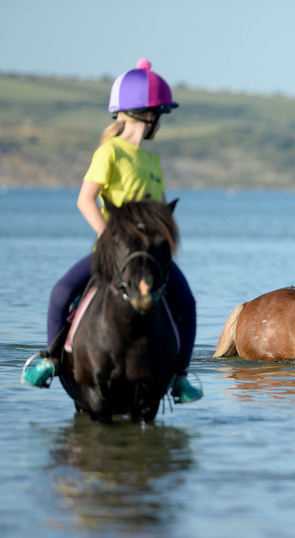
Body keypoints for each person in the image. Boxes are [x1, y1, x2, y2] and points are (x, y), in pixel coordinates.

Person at [22, 59, 202, 402]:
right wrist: (111, 238)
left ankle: (180, 375)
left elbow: (160, 211)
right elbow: (85, 200)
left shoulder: (151, 161)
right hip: (111, 252)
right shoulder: (109, 153)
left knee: (187, 302)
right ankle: (51, 359)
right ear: (149, 114)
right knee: (61, 292)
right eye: (160, 114)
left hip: (147, 256)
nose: (160, 121)